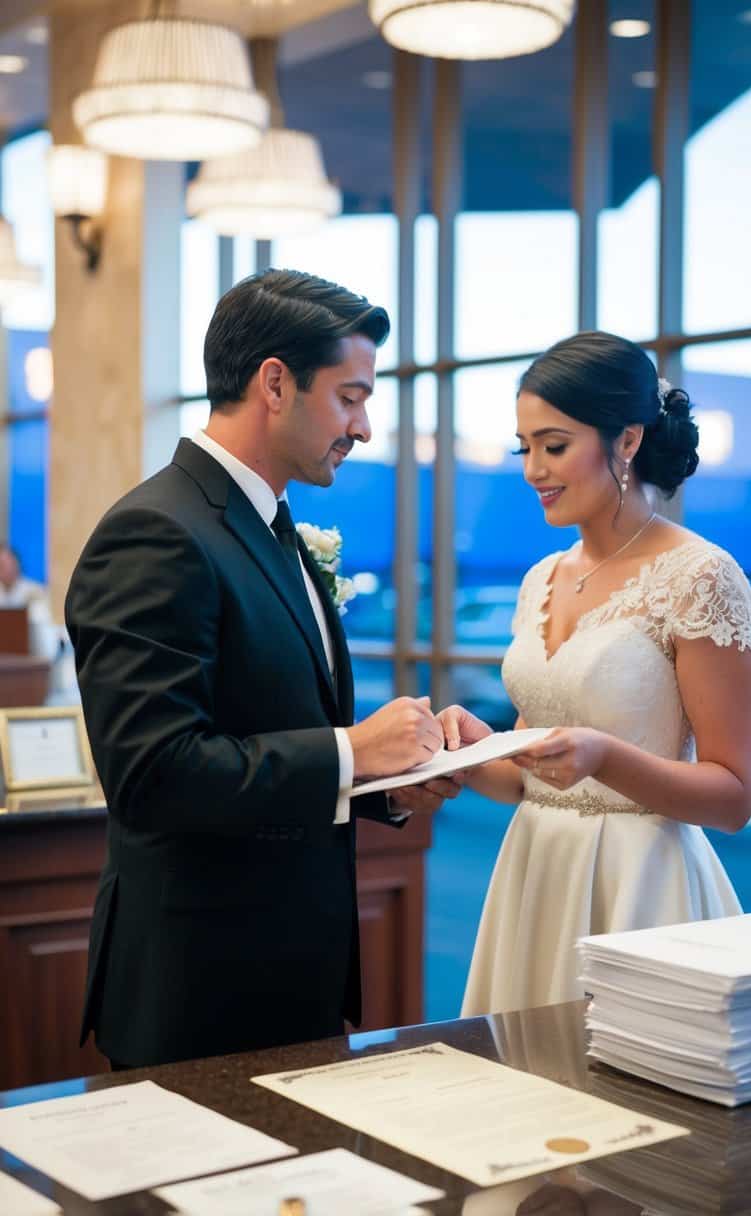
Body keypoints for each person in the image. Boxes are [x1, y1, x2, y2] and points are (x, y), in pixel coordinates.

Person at [66, 269, 456, 1069]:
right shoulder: (156, 531)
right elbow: (152, 773)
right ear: (275, 384)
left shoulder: (271, 523)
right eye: (350, 397)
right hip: (199, 991)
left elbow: (268, 729)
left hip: (291, 975)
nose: (365, 427)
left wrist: (385, 780)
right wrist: (352, 751)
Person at [440, 331, 751, 1015]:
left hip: (641, 887)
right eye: (522, 447)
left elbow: (733, 796)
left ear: (625, 441)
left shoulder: (700, 575)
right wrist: (474, 748)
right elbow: (525, 778)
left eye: (552, 445)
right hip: (534, 871)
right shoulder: (540, 579)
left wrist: (603, 756)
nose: (532, 469)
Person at [0, 543, 57, 659]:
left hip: (30, 656)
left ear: (16, 564)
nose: (3, 569)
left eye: (5, 564)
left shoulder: (34, 592)